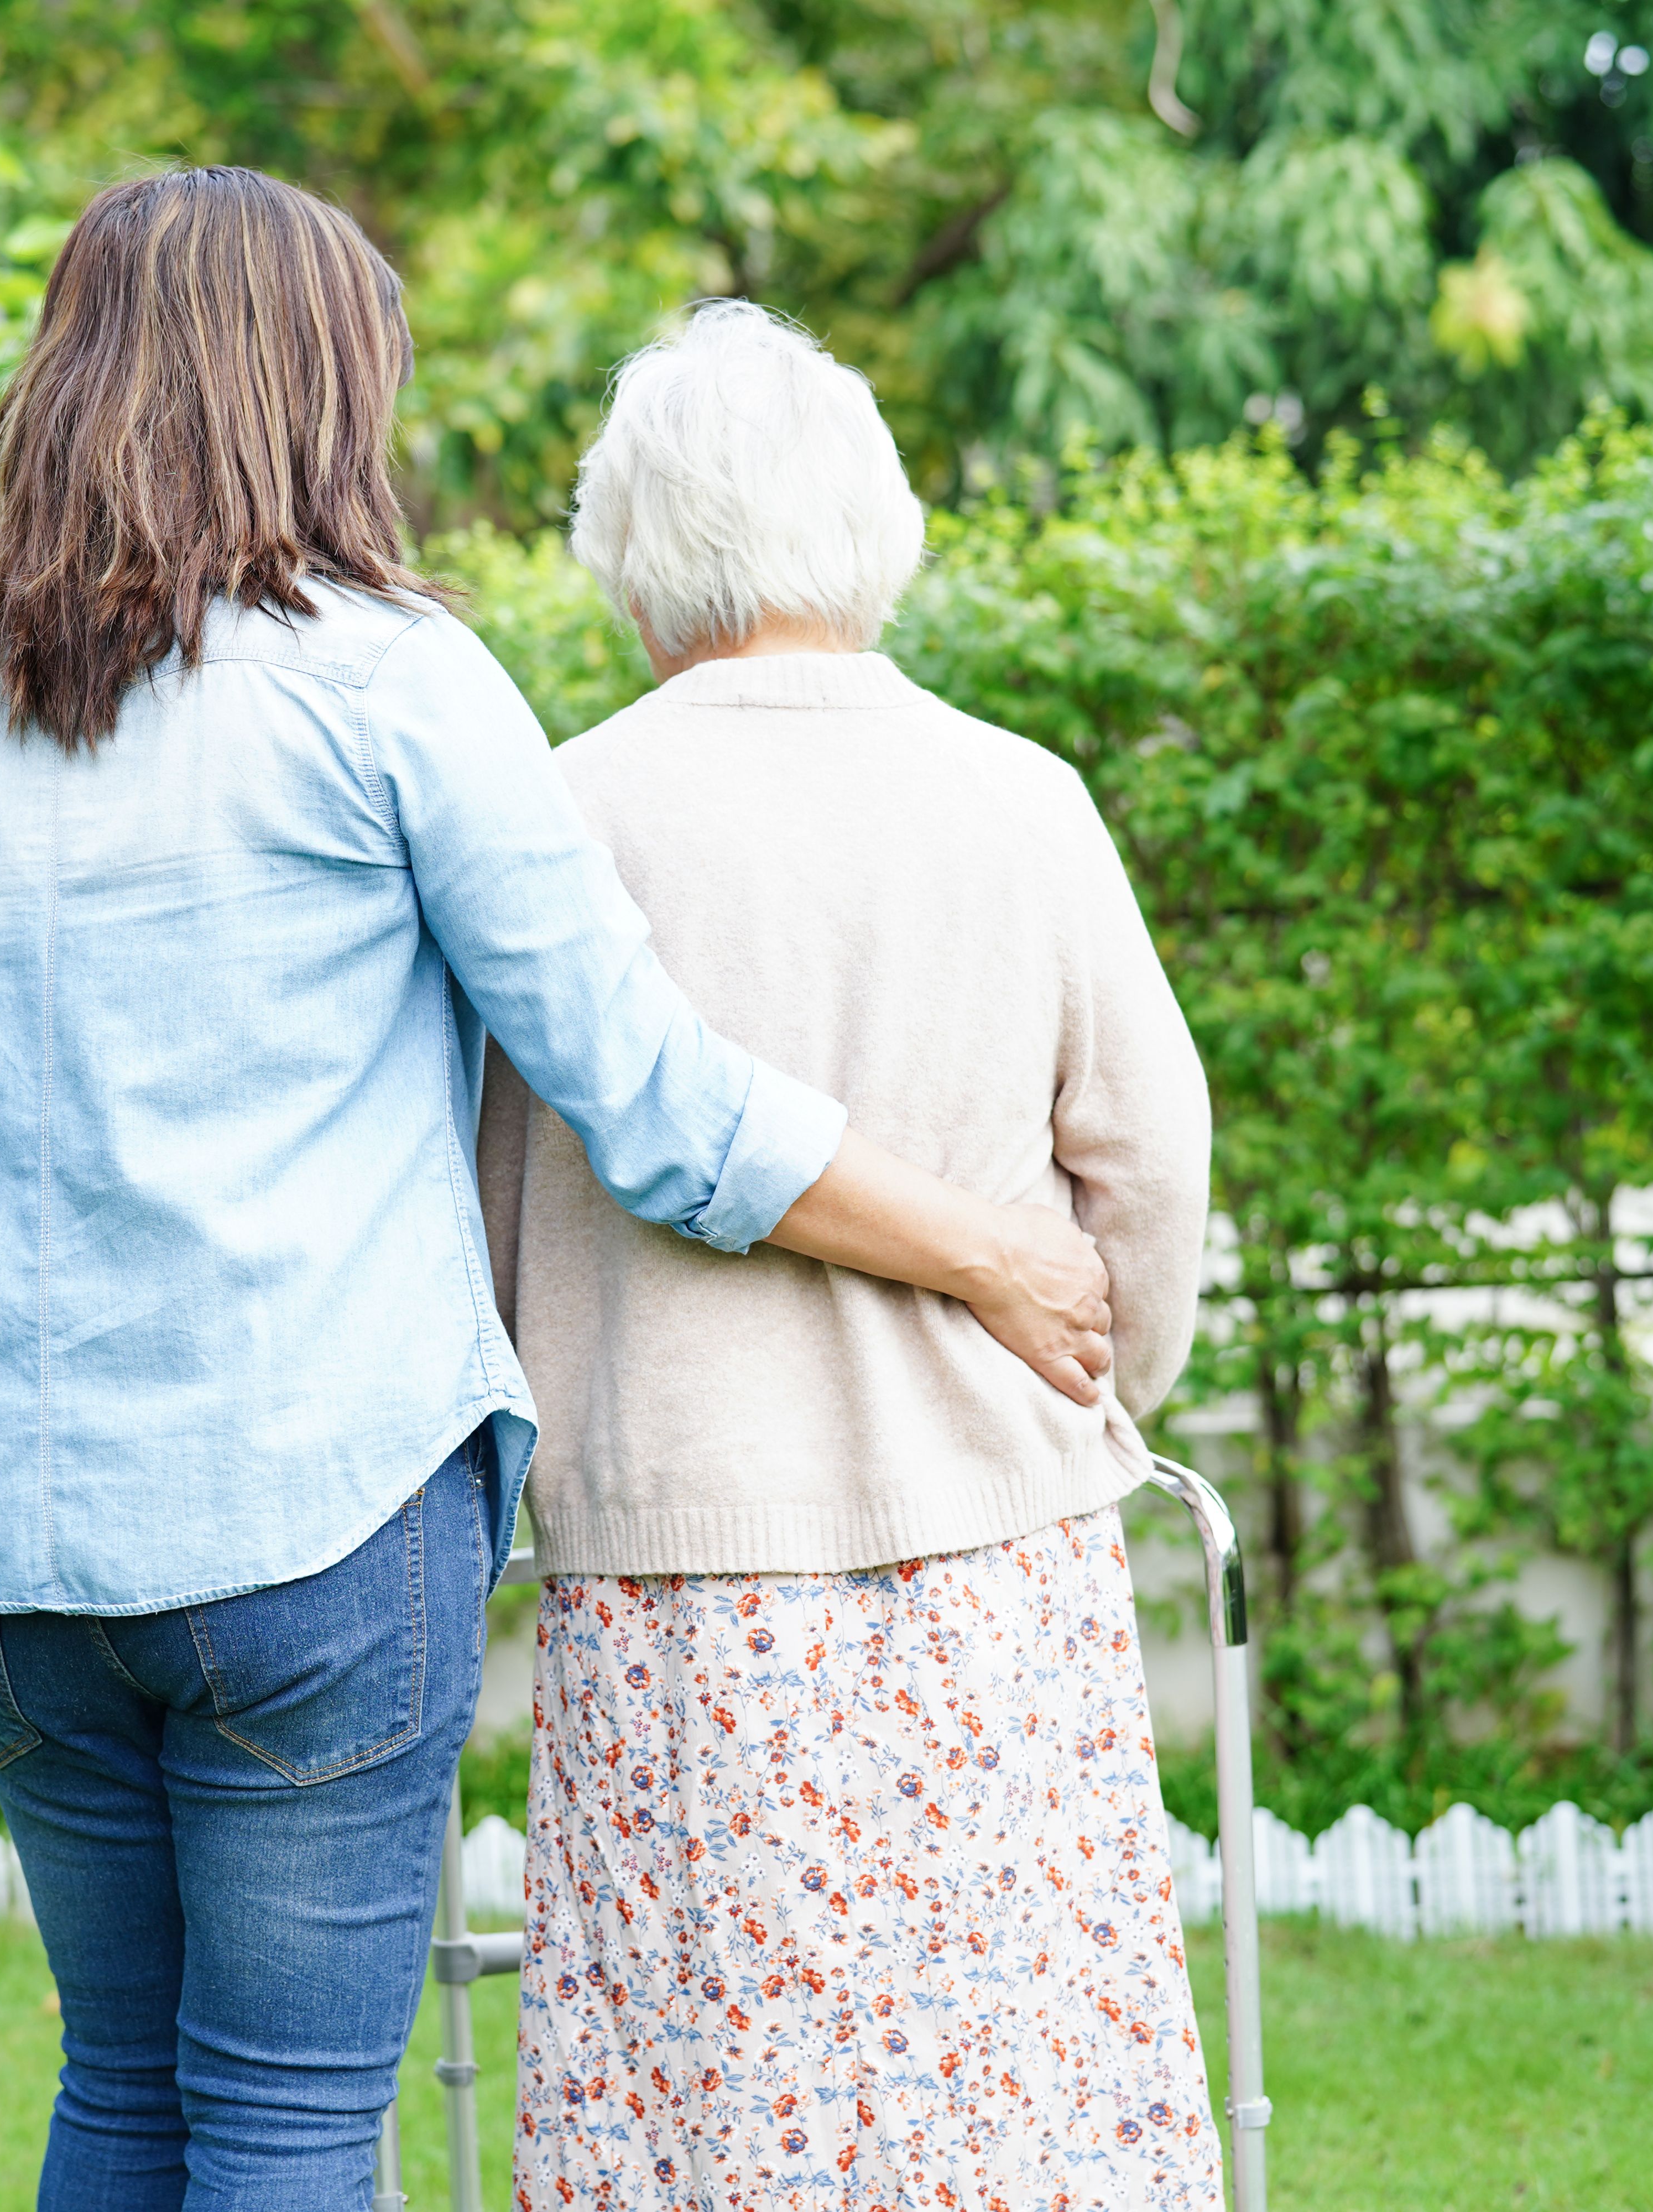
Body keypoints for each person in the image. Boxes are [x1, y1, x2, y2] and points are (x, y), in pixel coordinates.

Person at [0, 170, 1118, 2212]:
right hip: (306, 1524)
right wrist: (987, 1247)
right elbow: (662, 1107)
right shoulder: (386, 683)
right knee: (279, 2117)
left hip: (10, 1551)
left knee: (121, 2092)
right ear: (318, 388)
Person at [479, 302, 1221, 2211]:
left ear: (630, 550)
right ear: (875, 520)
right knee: (1024, 2102)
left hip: (679, 1577)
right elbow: (1148, 1156)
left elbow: (488, 1199)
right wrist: (1099, 1387)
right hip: (1002, 1553)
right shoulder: (1018, 794)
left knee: (709, 2120)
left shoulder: (564, 815)